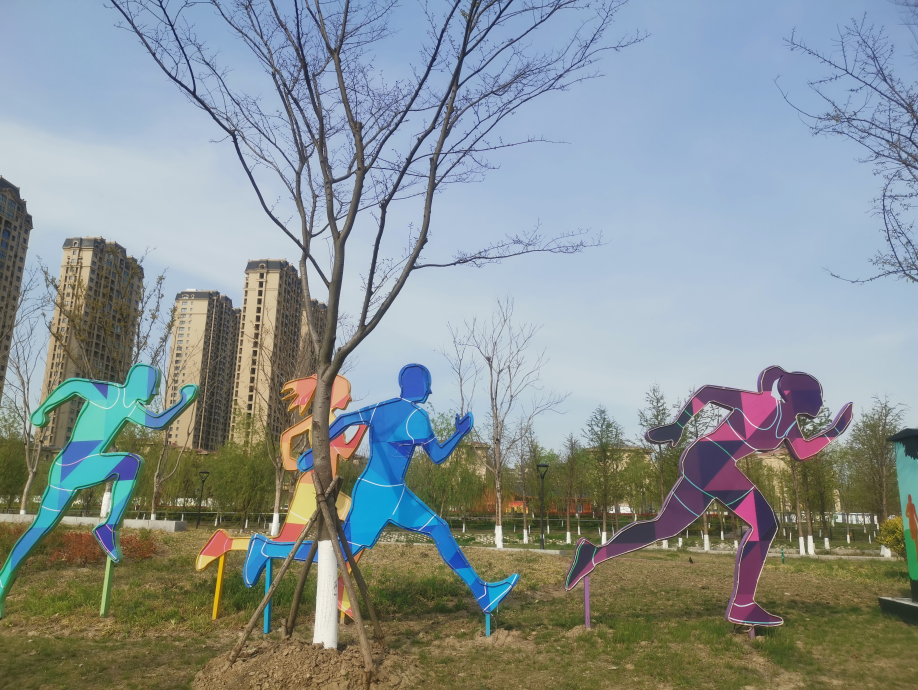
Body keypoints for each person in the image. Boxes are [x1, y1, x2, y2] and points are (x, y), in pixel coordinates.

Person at [566, 366, 852, 627]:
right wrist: (679, 425)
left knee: (664, 527)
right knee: (765, 524)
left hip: (711, 465)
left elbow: (802, 450)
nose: (821, 402)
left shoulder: (788, 425)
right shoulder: (762, 404)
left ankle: (592, 554)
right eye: (817, 395)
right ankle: (743, 605)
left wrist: (835, 430)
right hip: (712, 460)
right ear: (795, 395)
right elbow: (709, 393)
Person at [243, 363, 519, 613]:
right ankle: (266, 549)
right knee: (342, 553)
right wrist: (459, 433)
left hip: (385, 491)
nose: (430, 391)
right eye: (428, 385)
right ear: (419, 387)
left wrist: (313, 453)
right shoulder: (416, 417)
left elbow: (343, 421)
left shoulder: (380, 409)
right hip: (381, 495)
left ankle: (482, 593)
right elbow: (437, 456)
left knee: (436, 529)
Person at [0, 364, 197, 618]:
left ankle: (2, 584)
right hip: (74, 467)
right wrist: (43, 410)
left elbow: (158, 422)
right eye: (154, 386)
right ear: (142, 383)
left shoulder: (129, 407)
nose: (155, 392)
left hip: (66, 469)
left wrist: (184, 401)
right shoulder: (108, 393)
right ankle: (107, 528)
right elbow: (72, 386)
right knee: (130, 464)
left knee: (39, 528)